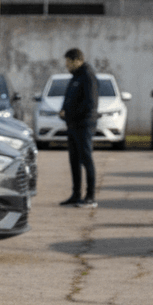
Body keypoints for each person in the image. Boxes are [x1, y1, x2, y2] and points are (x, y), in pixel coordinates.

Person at [58, 47, 99, 208]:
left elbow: (90, 103)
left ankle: (90, 197)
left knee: (86, 159)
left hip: (83, 125)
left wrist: (72, 114)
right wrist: (63, 110)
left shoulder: (88, 76)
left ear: (77, 61)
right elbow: (69, 98)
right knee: (74, 160)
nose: (66, 65)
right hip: (72, 125)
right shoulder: (75, 77)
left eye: (68, 62)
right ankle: (76, 195)